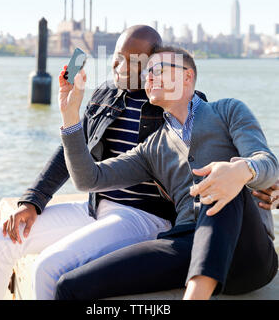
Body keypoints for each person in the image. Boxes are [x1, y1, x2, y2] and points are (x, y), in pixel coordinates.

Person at [0, 25, 196, 300]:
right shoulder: (106, 94)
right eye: (117, 56)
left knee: (49, 267)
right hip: (95, 207)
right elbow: (71, 150)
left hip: (144, 218)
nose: (118, 64)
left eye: (132, 61)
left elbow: (214, 143)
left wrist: (257, 180)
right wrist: (33, 201)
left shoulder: (177, 101)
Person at [55, 45, 279, 300]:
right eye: (146, 73)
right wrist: (70, 114)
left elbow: (268, 163)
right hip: (186, 245)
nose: (148, 77)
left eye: (158, 70)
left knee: (219, 177)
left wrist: (241, 170)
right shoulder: (152, 148)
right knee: (69, 286)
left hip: (246, 252)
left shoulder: (228, 111)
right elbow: (88, 179)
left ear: (187, 77)